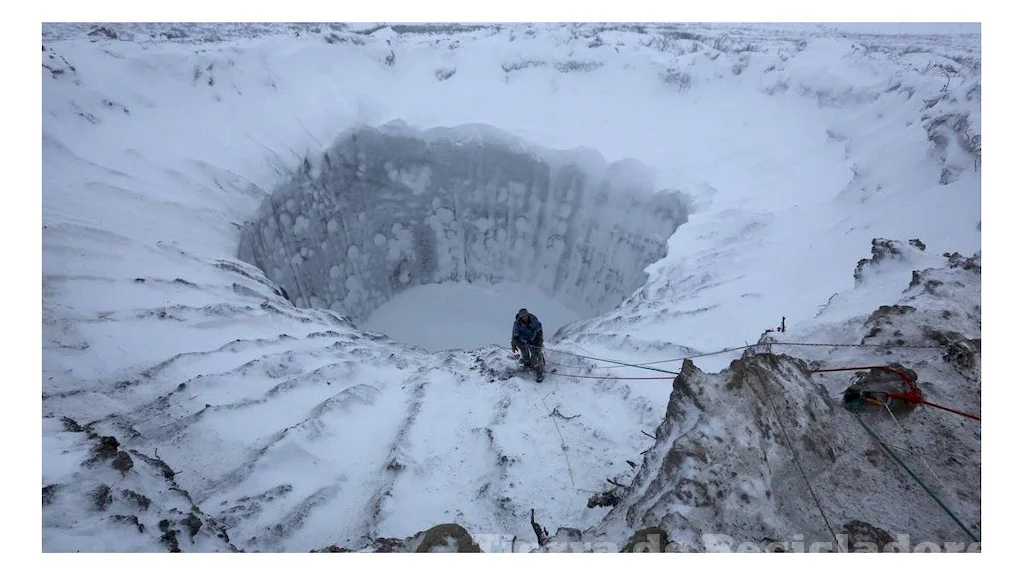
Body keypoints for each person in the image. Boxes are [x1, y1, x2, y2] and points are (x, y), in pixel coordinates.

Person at [511, 308, 545, 382]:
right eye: (523, 316)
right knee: (525, 355)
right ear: (520, 317)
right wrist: (513, 344)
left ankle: (539, 372)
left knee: (536, 356)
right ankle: (526, 364)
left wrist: (540, 340)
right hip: (523, 342)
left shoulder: (534, 320)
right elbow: (515, 335)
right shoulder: (517, 324)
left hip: (535, 340)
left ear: (528, 314)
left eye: (525, 315)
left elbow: (539, 331)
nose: (524, 317)